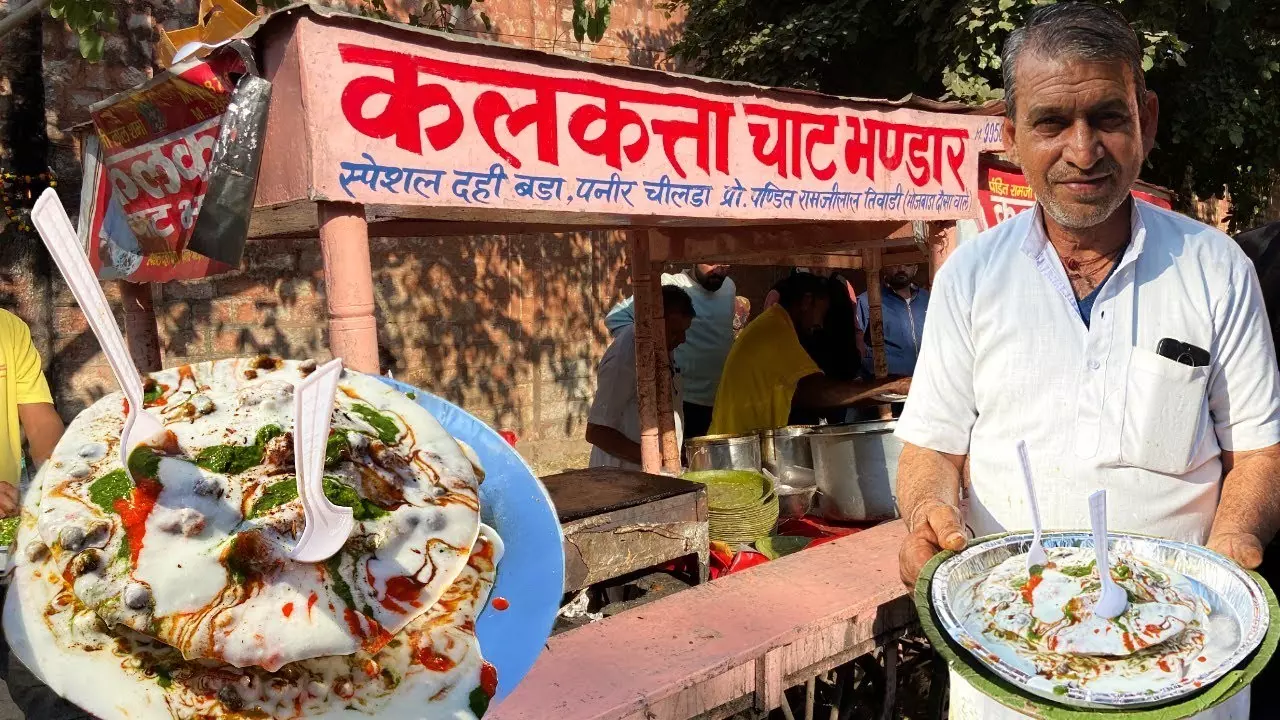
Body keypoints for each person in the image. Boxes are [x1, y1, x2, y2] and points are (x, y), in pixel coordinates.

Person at [894, 5, 1279, 719]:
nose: (1083, 150)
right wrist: (928, 516)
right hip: (1010, 660)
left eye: (1108, 116)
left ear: (1147, 120)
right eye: (1050, 123)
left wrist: (1235, 544)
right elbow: (931, 447)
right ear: (1010, 137)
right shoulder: (972, 277)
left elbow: (1257, 453)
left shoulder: (1216, 268)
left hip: (1181, 660)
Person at [0, 308, 82, 719]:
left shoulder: (7, 327)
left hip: (10, 532)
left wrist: (62, 480)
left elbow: (40, 421)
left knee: (44, 675)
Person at [708, 272, 909, 436]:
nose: (820, 323)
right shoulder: (775, 331)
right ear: (807, 301)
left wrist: (881, 394)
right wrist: (889, 386)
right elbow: (818, 392)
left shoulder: (775, 323)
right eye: (822, 311)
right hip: (737, 446)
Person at [604, 264, 735, 441]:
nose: (719, 270)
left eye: (725, 264)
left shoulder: (729, 287)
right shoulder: (669, 285)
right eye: (712, 262)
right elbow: (617, 317)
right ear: (696, 256)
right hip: (684, 400)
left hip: (721, 398)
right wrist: (652, 346)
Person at [586, 286, 696, 471]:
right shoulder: (624, 357)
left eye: (684, 331)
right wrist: (655, 458)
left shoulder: (662, 345)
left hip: (655, 473)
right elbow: (597, 432)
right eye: (675, 332)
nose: (683, 339)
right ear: (651, 322)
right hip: (621, 477)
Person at [855, 263, 929, 378]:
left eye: (908, 264)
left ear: (915, 269)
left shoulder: (927, 299)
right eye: (895, 264)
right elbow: (857, 348)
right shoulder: (867, 301)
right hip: (885, 384)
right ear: (884, 267)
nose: (901, 269)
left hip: (925, 381)